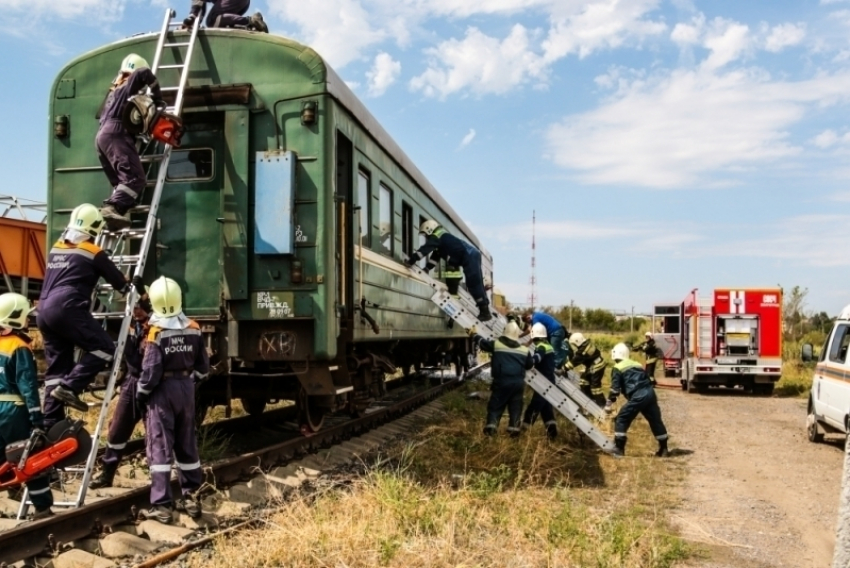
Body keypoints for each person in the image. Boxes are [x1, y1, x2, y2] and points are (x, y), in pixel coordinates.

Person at [38, 204, 141, 426]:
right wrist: (133, 287)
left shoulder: (57, 248)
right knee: (104, 348)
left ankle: (50, 422)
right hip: (67, 308)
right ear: (95, 229)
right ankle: (69, 388)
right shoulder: (93, 252)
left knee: (56, 369)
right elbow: (120, 284)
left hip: (44, 311)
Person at [138, 277, 209, 523]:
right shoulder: (194, 327)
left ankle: (162, 504)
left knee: (161, 446)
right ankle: (191, 496)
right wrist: (188, 381)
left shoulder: (156, 333)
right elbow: (204, 367)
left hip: (162, 391)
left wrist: (142, 393)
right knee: (187, 443)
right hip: (186, 389)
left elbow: (151, 372)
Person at [0, 294, 54, 519]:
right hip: (15, 412)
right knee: (32, 457)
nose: (28, 321)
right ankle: (42, 508)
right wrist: (37, 420)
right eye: (25, 317)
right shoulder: (19, 347)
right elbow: (28, 386)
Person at [97, 54, 163, 231]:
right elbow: (142, 72)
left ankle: (118, 212)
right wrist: (157, 96)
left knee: (121, 182)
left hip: (102, 137)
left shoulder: (112, 94)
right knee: (135, 179)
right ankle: (111, 209)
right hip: (116, 133)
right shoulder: (128, 85)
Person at [89, 300, 151, 489]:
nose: (136, 310)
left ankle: (161, 480)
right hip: (132, 382)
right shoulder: (129, 324)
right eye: (134, 307)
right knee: (117, 429)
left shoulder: (158, 326)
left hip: (153, 383)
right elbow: (102, 314)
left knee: (155, 432)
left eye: (140, 306)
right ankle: (107, 474)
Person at [406, 220, 492, 322]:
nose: (426, 238)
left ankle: (485, 312)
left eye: (425, 235)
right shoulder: (441, 239)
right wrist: (427, 268)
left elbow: (425, 250)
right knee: (476, 283)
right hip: (471, 255)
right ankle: (484, 310)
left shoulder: (436, 236)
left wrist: (412, 260)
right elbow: (435, 256)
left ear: (429, 229)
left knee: (473, 283)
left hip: (469, 256)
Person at [604, 343, 669, 458]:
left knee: (621, 418)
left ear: (615, 354)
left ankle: (619, 449)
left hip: (638, 396)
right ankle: (664, 449)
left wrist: (608, 405)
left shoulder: (617, 368)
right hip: (650, 393)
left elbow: (615, 390)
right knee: (655, 420)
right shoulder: (637, 364)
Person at [470, 322, 533, 437]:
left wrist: (474, 335)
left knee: (496, 406)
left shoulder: (497, 345)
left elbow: (483, 344)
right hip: (518, 384)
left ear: (505, 333)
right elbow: (529, 365)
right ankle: (514, 432)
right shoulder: (524, 350)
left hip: (502, 382)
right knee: (516, 407)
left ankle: (491, 431)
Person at [521, 323, 558, 440]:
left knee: (534, 407)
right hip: (549, 380)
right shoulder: (548, 345)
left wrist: (529, 361)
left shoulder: (541, 347)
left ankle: (523, 431)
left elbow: (537, 358)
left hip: (544, 382)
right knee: (546, 409)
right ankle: (552, 434)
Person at [565, 332, 606, 407]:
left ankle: (602, 405)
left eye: (573, 344)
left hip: (597, 367)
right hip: (593, 366)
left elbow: (574, 362)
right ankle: (591, 401)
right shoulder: (586, 344)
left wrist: (563, 369)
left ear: (577, 342)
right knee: (583, 382)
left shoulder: (583, 351)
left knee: (595, 388)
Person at [182, 1, 268, 32]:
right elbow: (201, 5)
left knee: (212, 21)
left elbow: (198, 7)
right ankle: (247, 24)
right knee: (221, 21)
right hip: (244, 3)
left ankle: (250, 21)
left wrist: (192, 19)